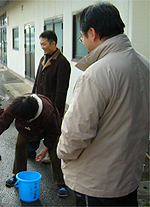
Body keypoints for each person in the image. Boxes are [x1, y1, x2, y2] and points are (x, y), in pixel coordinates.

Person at [57, 2, 150, 206]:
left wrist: (61, 152)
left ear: (93, 33)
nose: (82, 42)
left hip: (98, 183)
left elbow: (76, 134)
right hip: (130, 176)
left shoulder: (96, 74)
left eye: (82, 37)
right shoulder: (144, 64)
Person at [0, 94, 68, 197]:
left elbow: (53, 133)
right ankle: (18, 174)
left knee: (55, 153)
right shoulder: (17, 105)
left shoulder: (48, 113)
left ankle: (61, 182)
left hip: (45, 130)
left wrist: (45, 150)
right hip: (24, 129)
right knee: (20, 145)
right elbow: (3, 121)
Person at [27, 30, 71, 160]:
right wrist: (32, 97)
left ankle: (52, 156)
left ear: (53, 43)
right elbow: (36, 81)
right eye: (41, 44)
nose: (42, 47)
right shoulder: (43, 58)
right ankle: (30, 152)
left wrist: (57, 111)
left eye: (44, 44)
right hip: (38, 102)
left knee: (51, 132)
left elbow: (61, 90)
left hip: (51, 106)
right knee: (35, 128)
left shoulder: (62, 63)